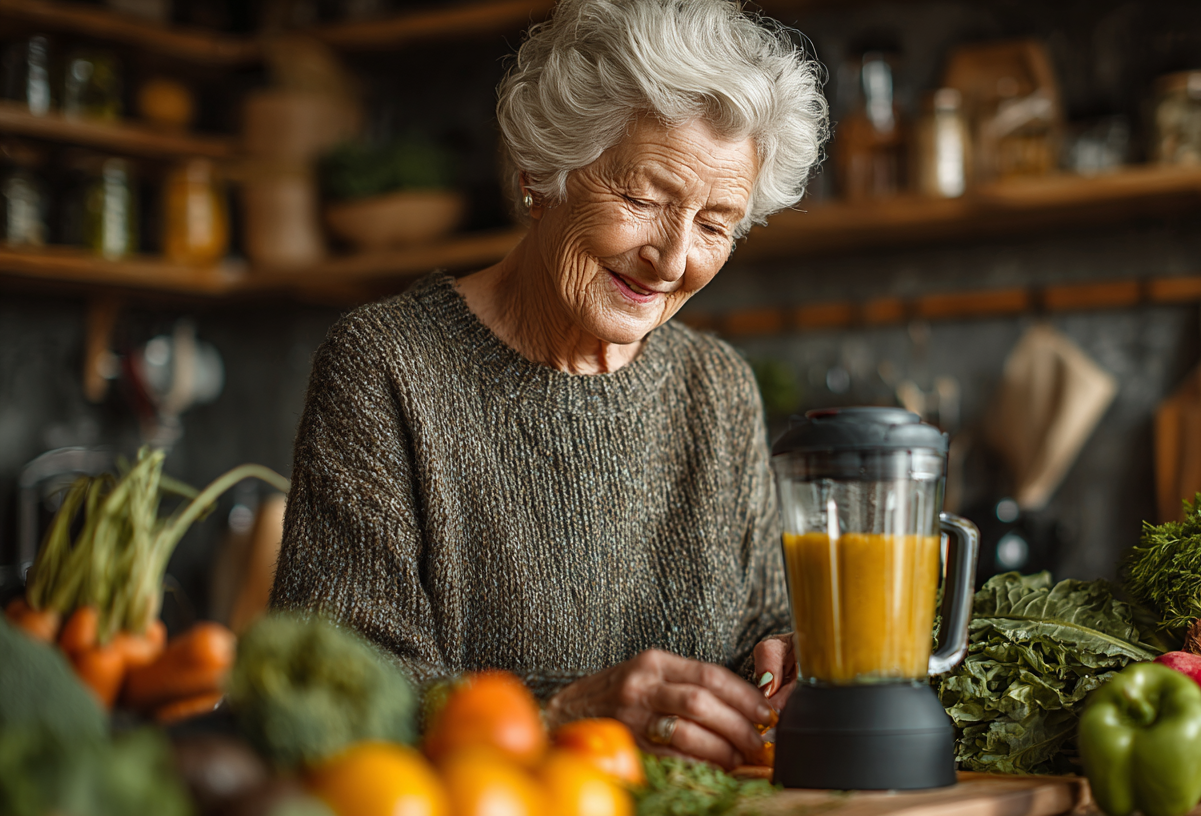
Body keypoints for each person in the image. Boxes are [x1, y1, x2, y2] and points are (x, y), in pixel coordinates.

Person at [270, 0, 828, 770]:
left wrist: (786, 670)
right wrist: (561, 715)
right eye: (644, 199)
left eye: (715, 223)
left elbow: (749, 649)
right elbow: (329, 699)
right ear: (543, 171)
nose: (672, 260)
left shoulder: (717, 387)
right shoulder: (387, 367)